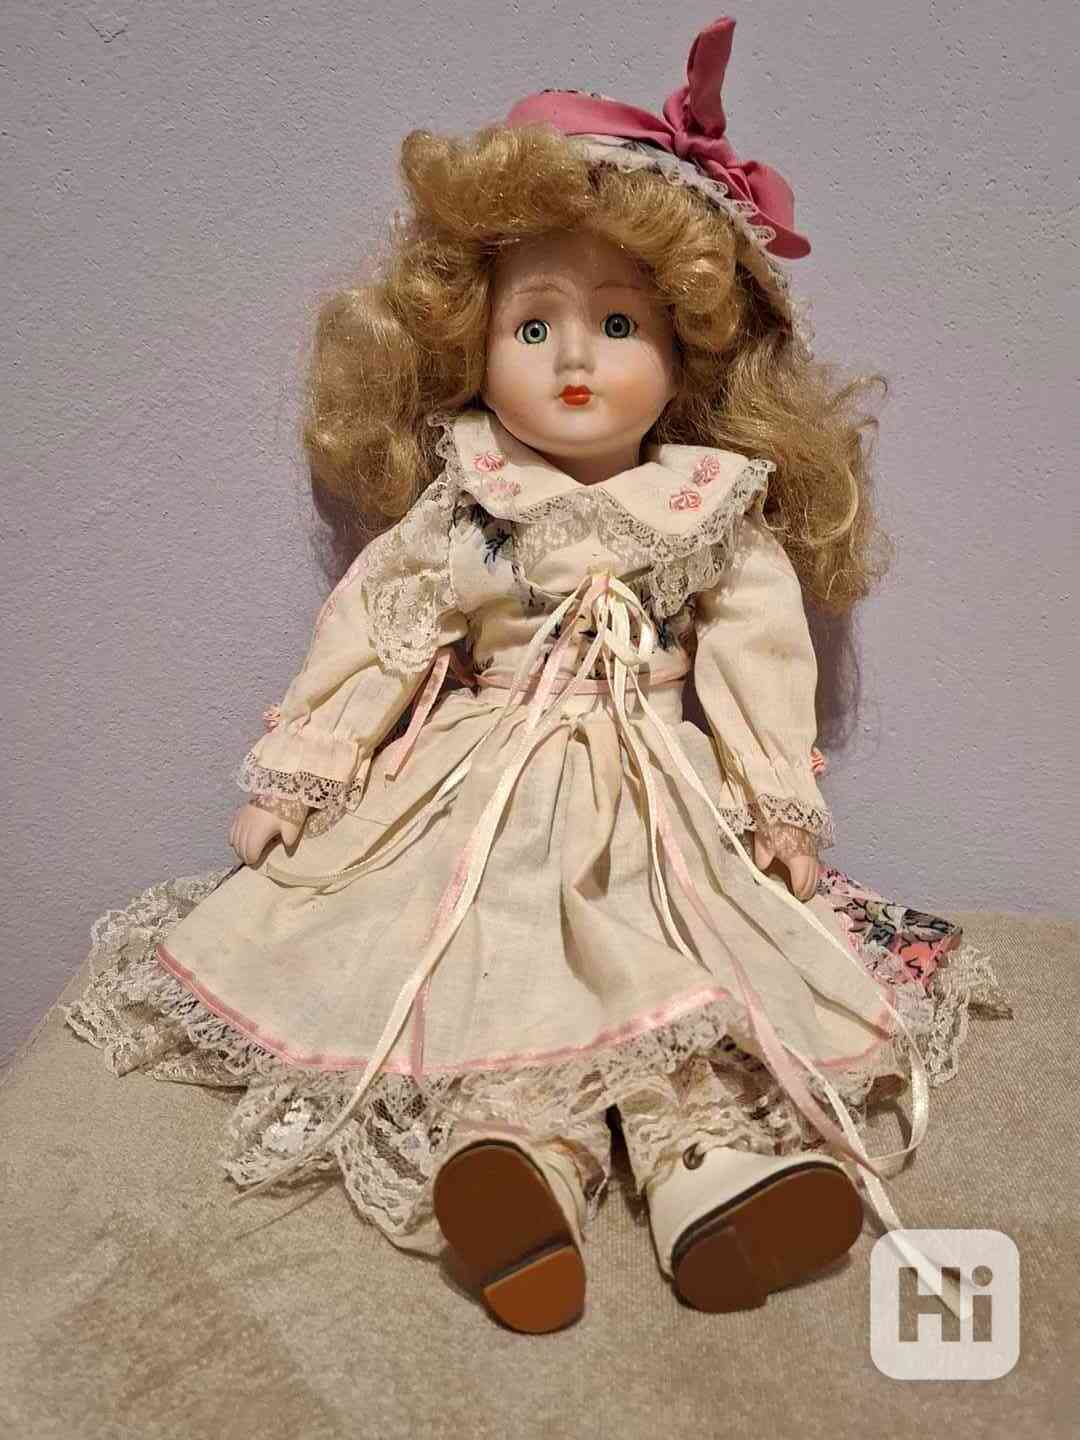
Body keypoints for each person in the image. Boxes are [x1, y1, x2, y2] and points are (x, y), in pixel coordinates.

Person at [64, 16, 1011, 1335]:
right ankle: (525, 1167)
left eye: (617, 323)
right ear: (472, 339)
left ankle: (703, 1168)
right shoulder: (469, 506)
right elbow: (385, 632)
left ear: (682, 351)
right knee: (496, 959)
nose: (575, 359)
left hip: (660, 791)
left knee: (683, 959)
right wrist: (300, 774)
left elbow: (757, 660)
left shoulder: (708, 511)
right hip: (486, 782)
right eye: (535, 323)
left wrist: (778, 808)